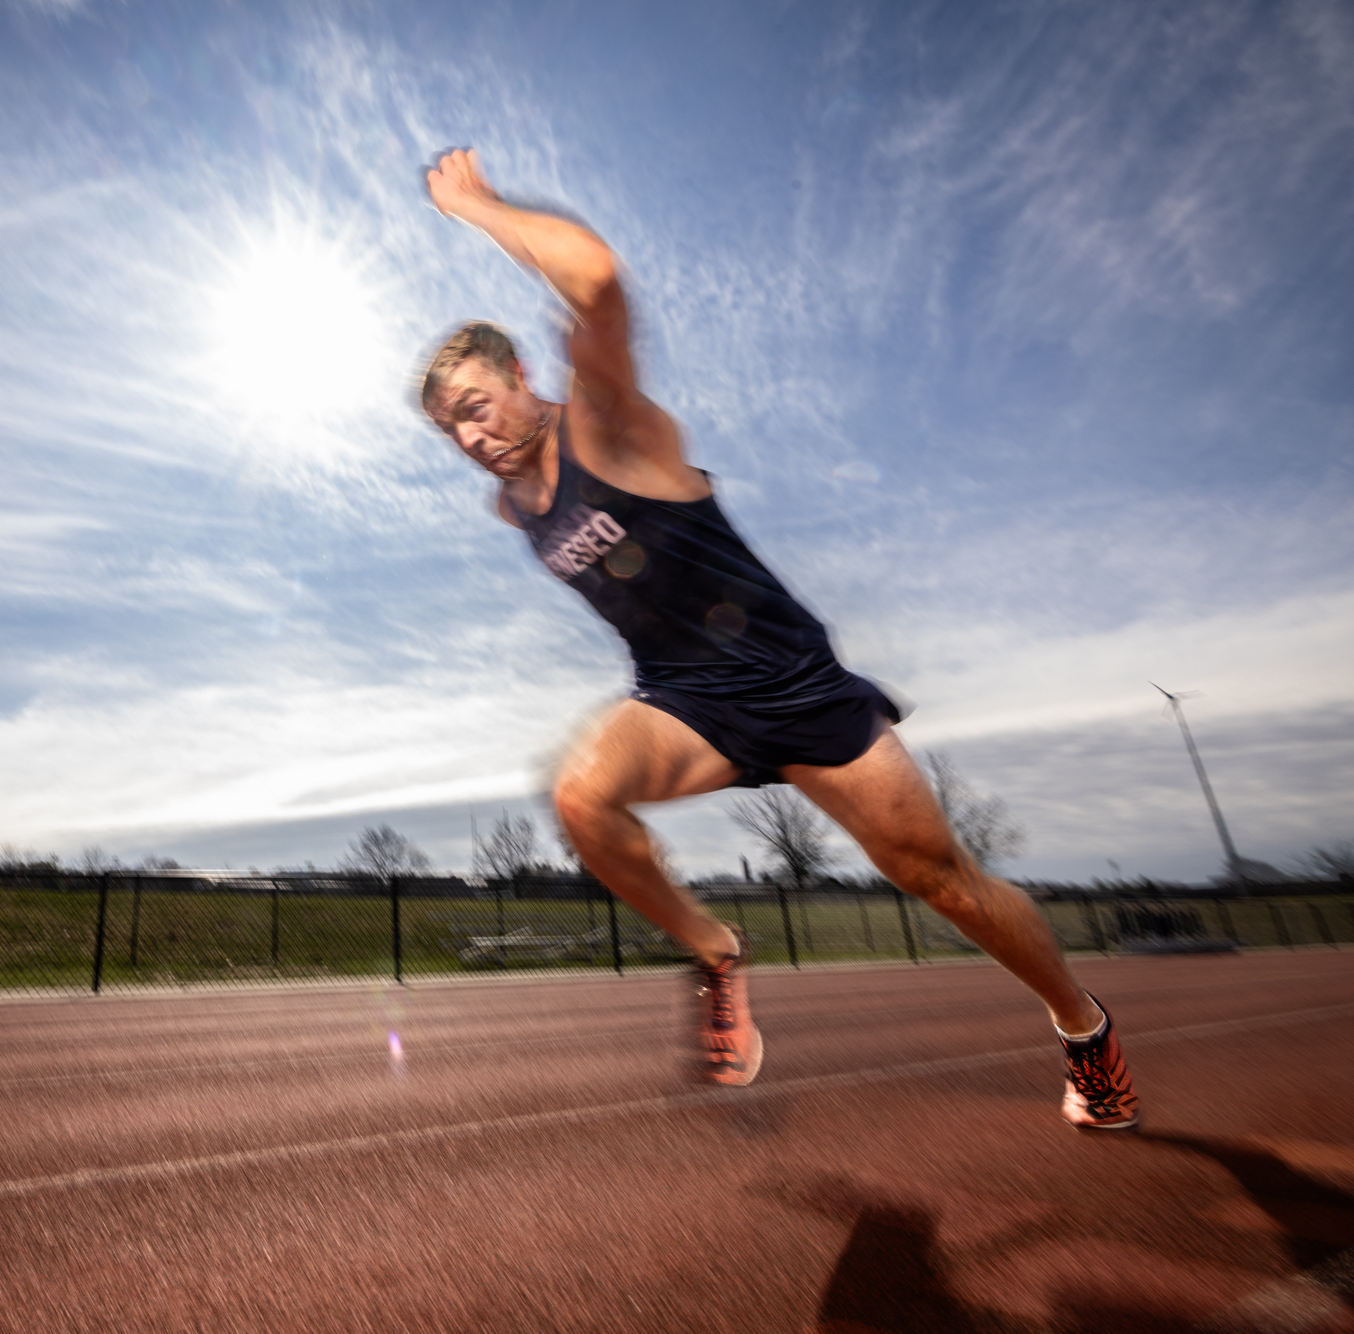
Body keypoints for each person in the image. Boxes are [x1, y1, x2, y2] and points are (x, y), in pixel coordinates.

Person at [419, 148, 1139, 1130]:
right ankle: (715, 951)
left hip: (797, 687)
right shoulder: (511, 504)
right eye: (445, 430)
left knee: (941, 882)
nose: (467, 437)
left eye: (472, 406)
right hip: (684, 700)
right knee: (581, 796)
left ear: (518, 374)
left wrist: (474, 203)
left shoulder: (609, 423)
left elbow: (594, 280)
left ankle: (1081, 1026)